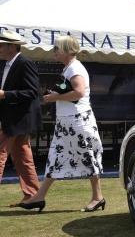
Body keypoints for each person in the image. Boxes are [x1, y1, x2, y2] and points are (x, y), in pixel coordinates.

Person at [20, 36, 104, 212]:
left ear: (67, 50)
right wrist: (54, 96)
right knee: (55, 159)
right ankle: (40, 196)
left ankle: (98, 197)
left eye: (57, 48)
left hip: (78, 121)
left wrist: (55, 97)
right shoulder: (69, 68)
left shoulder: (74, 68)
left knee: (88, 157)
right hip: (67, 122)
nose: (54, 51)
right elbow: (72, 91)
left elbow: (79, 92)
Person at [0, 30, 41, 207]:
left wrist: (4, 95)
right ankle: (33, 195)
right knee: (23, 157)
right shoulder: (6, 64)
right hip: (12, 119)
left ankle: (33, 195)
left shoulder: (25, 63)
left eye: (1, 45)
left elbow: (33, 92)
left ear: (11, 46)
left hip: (17, 120)